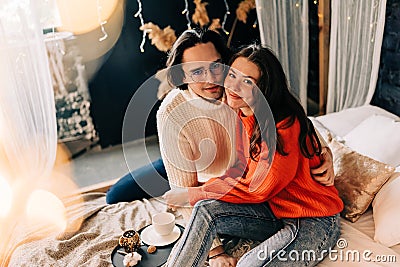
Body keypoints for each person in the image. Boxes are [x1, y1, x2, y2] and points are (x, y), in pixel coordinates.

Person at [105, 29, 334, 204]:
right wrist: (216, 251)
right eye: (197, 71)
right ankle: (165, 161)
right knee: (114, 196)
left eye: (216, 66)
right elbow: (186, 194)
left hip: (233, 170)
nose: (211, 78)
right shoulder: (171, 111)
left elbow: (290, 118)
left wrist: (325, 152)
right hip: (190, 164)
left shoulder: (239, 88)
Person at [164, 45, 343, 267]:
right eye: (232, 75)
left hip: (312, 219)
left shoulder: (282, 128)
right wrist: (203, 192)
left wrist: (195, 192)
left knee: (247, 265)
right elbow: (241, 170)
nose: (233, 86)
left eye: (247, 81)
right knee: (205, 209)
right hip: (275, 210)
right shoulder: (244, 113)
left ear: (264, 88)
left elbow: (257, 188)